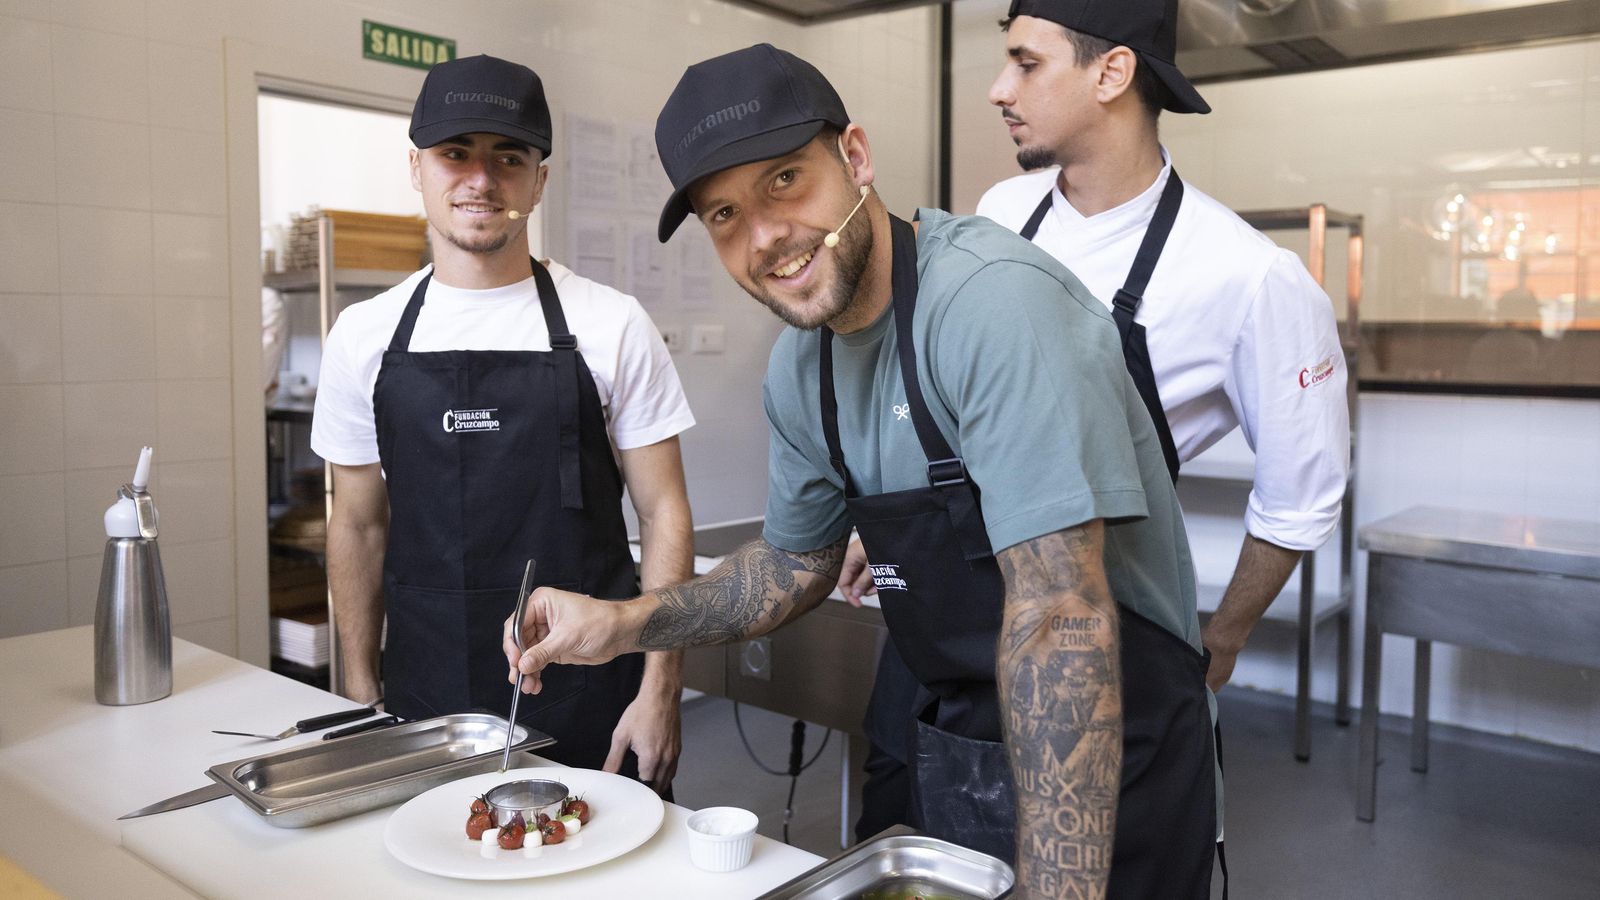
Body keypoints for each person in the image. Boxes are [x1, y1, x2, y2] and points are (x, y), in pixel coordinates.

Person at [505, 44, 1216, 898]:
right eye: (724, 214)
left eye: (783, 182)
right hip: (963, 732)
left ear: (856, 158)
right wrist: (622, 625)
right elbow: (792, 564)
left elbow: (1060, 621)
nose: (765, 236)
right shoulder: (799, 370)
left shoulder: (990, 307)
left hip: (1109, 741)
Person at [839, 1, 1350, 820]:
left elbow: (1301, 499)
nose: (1000, 88)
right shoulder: (1001, 214)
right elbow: (944, 402)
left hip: (1098, 633)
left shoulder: (1249, 276)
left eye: (1027, 63)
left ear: (1113, 72)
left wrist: (1216, 643)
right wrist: (898, 523)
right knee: (906, 837)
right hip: (938, 630)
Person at [311, 54, 695, 791]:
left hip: (593, 695)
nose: (481, 180)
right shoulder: (363, 335)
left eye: (508, 157)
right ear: (417, 168)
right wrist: (357, 689)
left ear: (539, 179)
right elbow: (357, 524)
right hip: (422, 697)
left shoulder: (611, 323)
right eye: (456, 154)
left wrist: (660, 689)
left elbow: (665, 510)